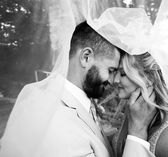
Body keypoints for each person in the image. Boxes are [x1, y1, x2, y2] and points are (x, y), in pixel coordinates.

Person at [0, 21, 156, 157]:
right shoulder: (56, 122)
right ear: (86, 57)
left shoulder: (46, 94)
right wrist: (137, 133)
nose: (113, 80)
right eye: (110, 70)